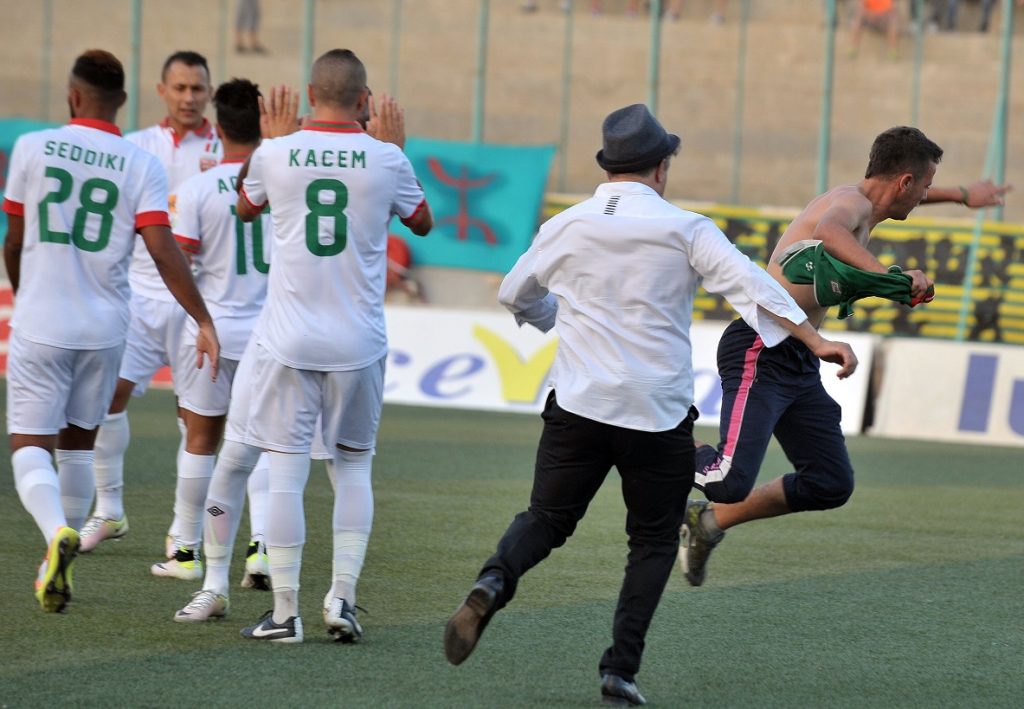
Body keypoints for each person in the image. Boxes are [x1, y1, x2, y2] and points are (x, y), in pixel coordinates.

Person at [442, 103, 857, 706]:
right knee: (653, 541)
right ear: (662, 167)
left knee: (548, 519)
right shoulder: (685, 228)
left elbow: (514, 293)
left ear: (607, 166)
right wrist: (816, 341)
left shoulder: (566, 224)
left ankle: (492, 581)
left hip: (579, 404)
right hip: (657, 414)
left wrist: (557, 319)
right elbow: (753, 288)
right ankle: (619, 672)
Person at [679, 126, 1014, 588]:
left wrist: (960, 195)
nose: (924, 195)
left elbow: (894, 201)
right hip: (761, 346)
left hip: (798, 357)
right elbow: (829, 232)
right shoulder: (849, 204)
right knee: (727, 480)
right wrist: (892, 279)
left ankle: (708, 522)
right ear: (904, 181)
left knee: (829, 482)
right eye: (925, 185)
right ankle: (655, 436)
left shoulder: (866, 202)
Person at [2, 49, 219, 613]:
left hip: (41, 320)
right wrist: (202, 316)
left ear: (72, 95)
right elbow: (163, 249)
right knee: (79, 446)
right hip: (105, 327)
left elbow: (13, 238)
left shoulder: (32, 147)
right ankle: (63, 553)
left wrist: (25, 292)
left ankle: (57, 532)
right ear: (125, 99)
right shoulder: (139, 161)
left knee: (29, 446)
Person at [231, 49, 432, 644]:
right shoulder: (387, 157)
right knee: (353, 468)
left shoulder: (276, 152)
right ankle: (341, 598)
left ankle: (285, 614)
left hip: (290, 340)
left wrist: (270, 144)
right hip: (359, 342)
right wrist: (397, 151)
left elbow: (245, 207)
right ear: (365, 100)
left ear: (308, 94)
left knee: (286, 471)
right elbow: (421, 222)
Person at [80, 51, 221, 565]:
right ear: (161, 91)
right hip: (137, 299)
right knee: (105, 400)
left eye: (197, 89)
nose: (189, 97)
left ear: (209, 93)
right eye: (179, 88)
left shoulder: (224, 150)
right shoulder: (135, 147)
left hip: (196, 302)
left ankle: (183, 534)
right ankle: (109, 510)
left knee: (195, 421)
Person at [142, 78, 270, 584]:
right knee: (266, 445)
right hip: (269, 337)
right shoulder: (284, 185)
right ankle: (261, 550)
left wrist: (201, 319)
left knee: (200, 440)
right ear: (265, 124)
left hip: (210, 334)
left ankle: (187, 552)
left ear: (217, 128)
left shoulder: (196, 189)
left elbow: (180, 263)